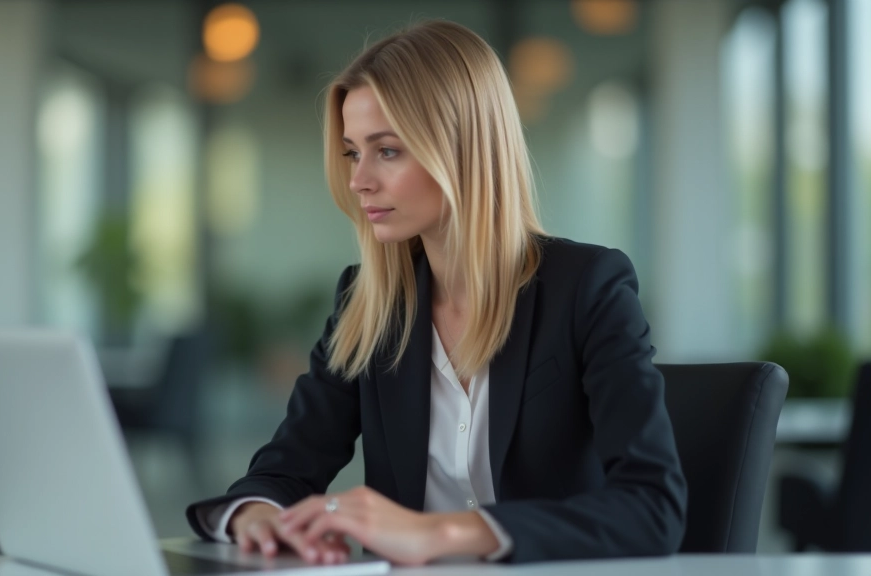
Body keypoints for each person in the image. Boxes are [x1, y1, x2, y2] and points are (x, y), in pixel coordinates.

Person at [185, 19, 687, 565]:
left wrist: (441, 533)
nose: (359, 180)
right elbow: (284, 470)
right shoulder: (367, 305)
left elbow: (652, 508)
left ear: (463, 149)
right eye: (353, 152)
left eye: (387, 150)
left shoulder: (588, 287)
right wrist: (258, 517)